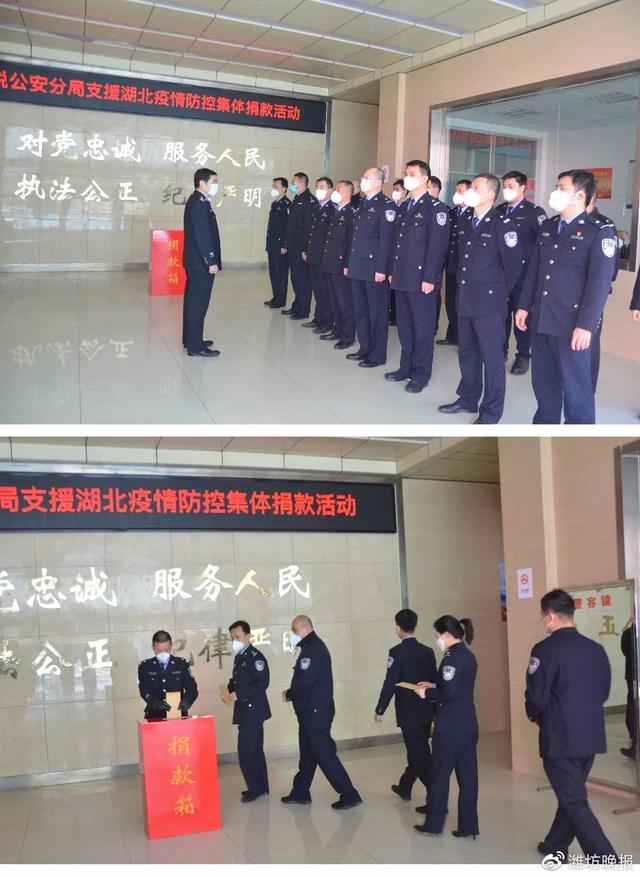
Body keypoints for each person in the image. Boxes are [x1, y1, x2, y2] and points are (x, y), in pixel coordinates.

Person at [516, 169, 617, 424]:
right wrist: (524, 306)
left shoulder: (599, 231)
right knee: (543, 382)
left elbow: (598, 285)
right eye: (556, 187)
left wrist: (586, 325)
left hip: (572, 324)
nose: (555, 192)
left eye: (561, 188)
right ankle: (545, 424)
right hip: (542, 319)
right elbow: (535, 270)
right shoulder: (549, 226)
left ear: (580, 195)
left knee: (576, 388)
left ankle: (578, 431)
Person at [525, 589, 617, 861]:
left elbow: (536, 697)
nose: (542, 620)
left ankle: (606, 861)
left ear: (551, 616)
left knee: (574, 801)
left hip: (560, 737)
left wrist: (534, 715)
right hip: (590, 736)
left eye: (542, 615)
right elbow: (603, 692)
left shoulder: (544, 650)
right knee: (571, 794)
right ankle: (555, 845)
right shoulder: (596, 649)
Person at [439, 173, 522, 424]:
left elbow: (513, 267)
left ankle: (491, 411)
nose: (470, 191)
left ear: (491, 194)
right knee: (467, 353)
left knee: (492, 360)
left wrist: (496, 293)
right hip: (466, 299)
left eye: (476, 188)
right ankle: (467, 398)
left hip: (489, 303)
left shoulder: (503, 224)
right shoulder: (466, 220)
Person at [281, 614, 362, 810]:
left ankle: (349, 794)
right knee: (308, 753)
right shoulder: (310, 647)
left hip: (315, 712)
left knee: (324, 754)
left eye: (294, 630)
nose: (292, 634)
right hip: (310, 711)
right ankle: (300, 791)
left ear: (306, 628)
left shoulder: (313, 649)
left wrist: (289, 694)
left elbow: (306, 681)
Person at [386, 159, 449, 393]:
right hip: (402, 276)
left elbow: (437, 248)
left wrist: (430, 278)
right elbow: (396, 243)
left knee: (422, 329)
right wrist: (392, 271)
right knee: (405, 327)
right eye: (405, 173)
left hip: (422, 279)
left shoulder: (436, 209)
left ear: (425, 178)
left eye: (412, 173)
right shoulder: (404, 206)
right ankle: (406, 367)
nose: (407, 177)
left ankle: (421, 374)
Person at [413, 615, 479, 840]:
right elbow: (457, 687)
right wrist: (433, 684)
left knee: (439, 777)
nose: (437, 639)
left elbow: (448, 693)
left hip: (450, 728)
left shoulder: (452, 658)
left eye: (438, 635)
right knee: (468, 779)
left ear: (447, 634)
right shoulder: (467, 655)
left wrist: (427, 693)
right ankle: (468, 827)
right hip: (468, 725)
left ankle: (433, 824)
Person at [374, 609, 437, 802]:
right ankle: (405, 786)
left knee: (419, 755)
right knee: (418, 749)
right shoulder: (428, 651)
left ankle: (436, 796)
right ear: (415, 626)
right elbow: (434, 681)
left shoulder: (397, 652)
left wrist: (380, 709)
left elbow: (390, 683)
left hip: (408, 713)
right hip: (426, 710)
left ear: (398, 628)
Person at [344, 167, 397, 368]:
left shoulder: (386, 206)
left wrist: (382, 269)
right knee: (361, 310)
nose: (363, 180)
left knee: (377, 313)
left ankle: (377, 354)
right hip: (357, 266)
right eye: (363, 177)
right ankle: (365, 348)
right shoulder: (362, 204)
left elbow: (387, 241)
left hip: (374, 268)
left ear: (378, 182)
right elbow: (355, 239)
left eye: (367, 177)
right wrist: (348, 264)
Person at [496, 171, 547, 376]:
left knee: (522, 316)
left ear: (522, 188)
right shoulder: (499, 211)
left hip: (523, 276)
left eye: (511, 186)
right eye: (504, 187)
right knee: (500, 315)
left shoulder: (534, 212)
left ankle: (523, 355)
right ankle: (500, 351)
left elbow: (543, 245)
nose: (506, 190)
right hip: (500, 275)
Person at [226, 620, 271, 802]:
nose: (234, 641)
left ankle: (255, 789)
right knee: (255, 750)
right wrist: (229, 689)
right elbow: (238, 681)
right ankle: (261, 787)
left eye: (237, 637)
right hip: (245, 710)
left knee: (245, 751)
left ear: (248, 636)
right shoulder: (240, 656)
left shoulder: (255, 657)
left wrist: (239, 694)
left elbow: (262, 683)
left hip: (253, 711)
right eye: (232, 638)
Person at [182, 167, 222, 357]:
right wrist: (211, 261)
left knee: (193, 303)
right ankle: (196, 346)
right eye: (214, 182)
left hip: (196, 262)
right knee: (198, 304)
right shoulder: (198, 203)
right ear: (202, 183)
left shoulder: (199, 201)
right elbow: (202, 236)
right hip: (200, 264)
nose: (216, 185)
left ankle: (191, 339)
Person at [585, 194, 618, 392]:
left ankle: (588, 388)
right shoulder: (565, 223)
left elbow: (610, 269)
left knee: (589, 342)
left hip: (591, 296)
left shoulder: (604, 225)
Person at [321, 181, 356, 350]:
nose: (335, 192)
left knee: (344, 302)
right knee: (333, 300)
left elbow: (350, 243)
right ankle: (337, 330)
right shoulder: (336, 211)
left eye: (339, 190)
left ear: (347, 194)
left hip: (341, 264)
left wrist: (347, 264)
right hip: (330, 262)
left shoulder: (351, 213)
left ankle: (347, 336)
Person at [437, 178, 472, 346]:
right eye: (456, 190)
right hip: (451, 264)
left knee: (462, 303)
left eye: (460, 191)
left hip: (465, 266)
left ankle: (464, 339)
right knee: (450, 301)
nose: (456, 194)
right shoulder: (451, 213)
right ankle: (453, 335)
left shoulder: (473, 214)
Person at [138, 630, 198, 720]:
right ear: (153, 647)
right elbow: (144, 690)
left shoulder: (181, 664)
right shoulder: (145, 666)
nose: (163, 654)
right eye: (159, 650)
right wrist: (153, 702)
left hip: (177, 714)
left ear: (171, 646)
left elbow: (192, 688)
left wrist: (188, 699)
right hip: (154, 715)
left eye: (166, 650)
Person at [303, 177, 335, 336]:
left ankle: (327, 322)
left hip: (324, 257)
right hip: (313, 255)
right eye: (317, 187)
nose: (318, 190)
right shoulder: (317, 207)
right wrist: (306, 249)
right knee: (317, 289)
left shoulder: (332, 209)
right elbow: (311, 232)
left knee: (325, 292)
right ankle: (318, 318)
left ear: (330, 190)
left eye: (322, 187)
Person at [283, 172, 318, 320]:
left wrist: (305, 249)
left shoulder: (309, 201)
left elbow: (308, 228)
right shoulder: (297, 199)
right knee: (295, 279)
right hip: (293, 246)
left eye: (294, 182)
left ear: (302, 183)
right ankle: (297, 305)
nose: (292, 185)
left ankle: (303, 310)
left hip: (300, 247)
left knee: (303, 280)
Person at [264, 177, 290, 309]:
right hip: (272, 245)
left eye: (276, 187)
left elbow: (287, 227)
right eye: (273, 186)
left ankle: (281, 300)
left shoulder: (287, 204)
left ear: (284, 189)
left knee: (281, 273)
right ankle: (276, 297)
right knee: (273, 273)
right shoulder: (275, 204)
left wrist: (285, 245)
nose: (273, 189)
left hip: (280, 246)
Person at [389, 179, 409, 326]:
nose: (394, 192)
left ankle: (396, 316)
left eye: (397, 189)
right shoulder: (391, 207)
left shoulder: (406, 207)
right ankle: (392, 314)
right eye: (394, 189)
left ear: (405, 191)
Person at [620, 622, 636, 760]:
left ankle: (635, 742)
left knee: (633, 706)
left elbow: (625, 651)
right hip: (633, 676)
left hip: (633, 675)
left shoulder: (628, 633)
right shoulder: (628, 633)